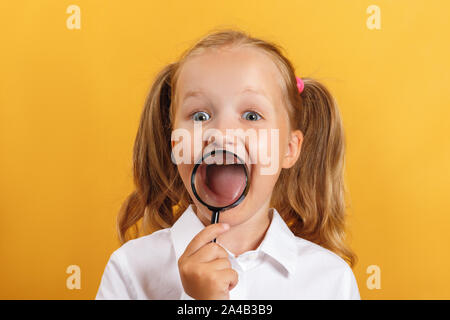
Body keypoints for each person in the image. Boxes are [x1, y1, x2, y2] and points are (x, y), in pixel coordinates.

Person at [95, 28, 360, 300]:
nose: (222, 133)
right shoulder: (131, 269)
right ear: (176, 145)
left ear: (289, 150)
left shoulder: (330, 280)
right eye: (199, 115)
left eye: (251, 115)